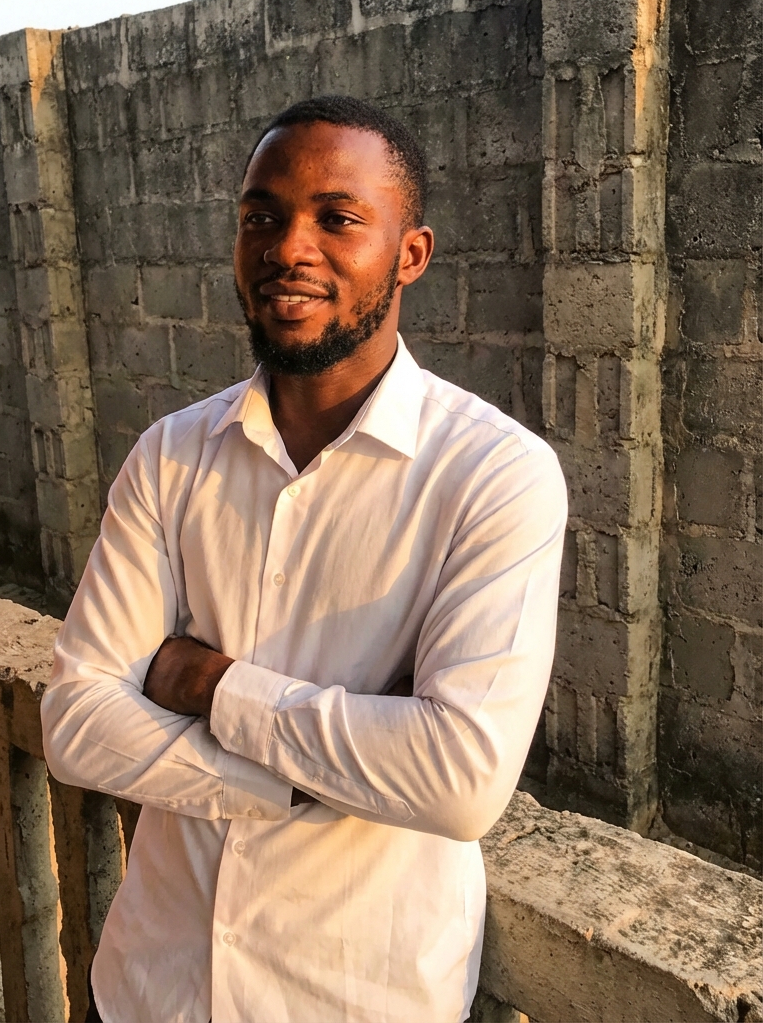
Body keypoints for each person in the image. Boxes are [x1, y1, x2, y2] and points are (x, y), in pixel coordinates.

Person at [41, 94, 567, 1023]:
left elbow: (458, 781)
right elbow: (79, 723)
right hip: (147, 989)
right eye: (263, 217)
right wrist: (313, 777)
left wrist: (210, 686)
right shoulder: (170, 458)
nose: (290, 247)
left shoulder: (494, 477)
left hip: (357, 996)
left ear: (411, 254)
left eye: (338, 217)